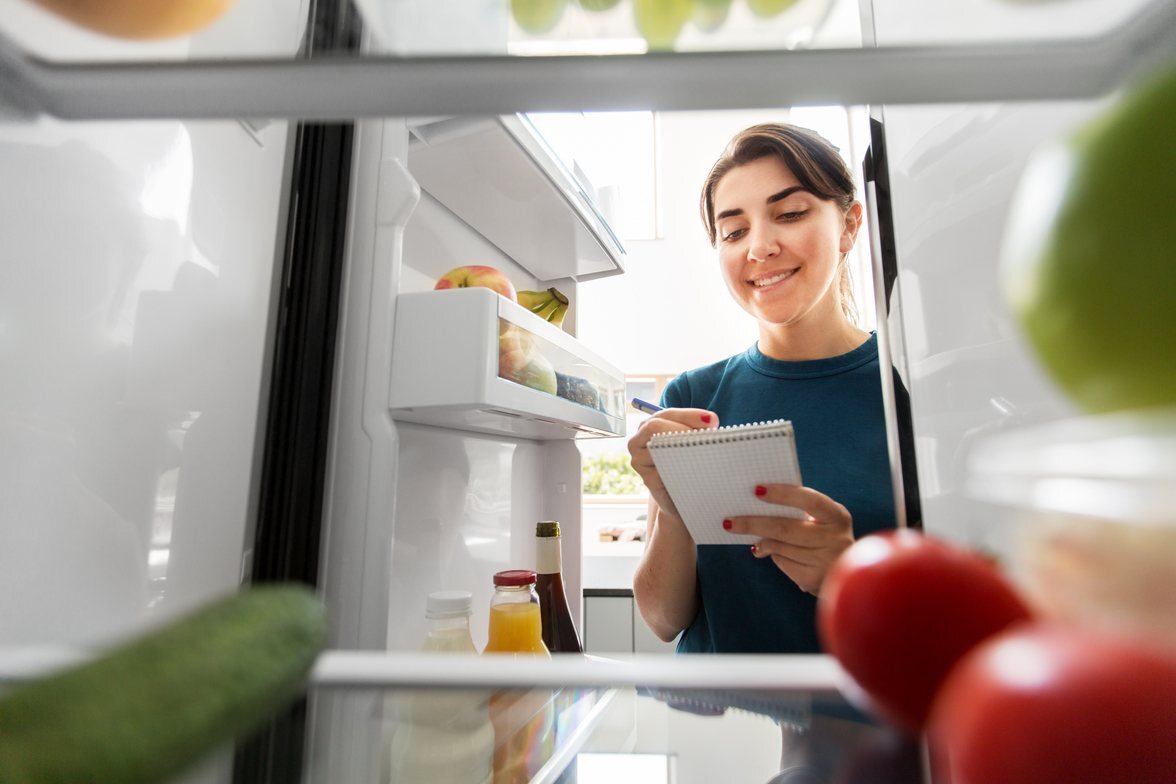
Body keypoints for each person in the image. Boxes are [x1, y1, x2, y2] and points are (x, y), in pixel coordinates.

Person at [629, 122, 917, 654]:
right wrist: (674, 511)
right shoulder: (691, 399)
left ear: (850, 225)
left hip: (859, 728)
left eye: (789, 214)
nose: (759, 247)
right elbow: (664, 619)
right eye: (734, 231)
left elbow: (956, 625)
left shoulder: (911, 389)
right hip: (716, 727)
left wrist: (847, 577)